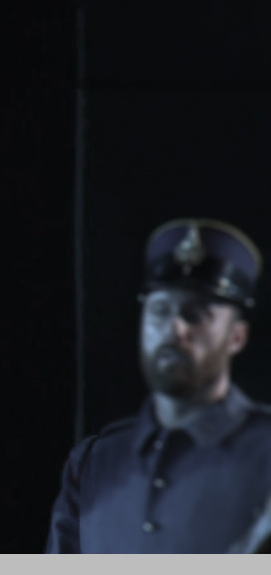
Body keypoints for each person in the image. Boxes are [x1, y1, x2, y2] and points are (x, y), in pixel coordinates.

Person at [46, 218, 270, 553]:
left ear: (236, 336)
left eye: (197, 315)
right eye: (160, 311)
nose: (175, 328)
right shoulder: (95, 462)